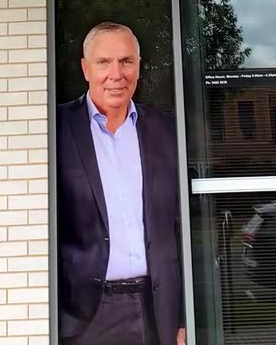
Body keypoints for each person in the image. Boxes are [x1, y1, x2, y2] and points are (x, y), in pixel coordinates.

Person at [56, 22, 185, 345]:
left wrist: (182, 318)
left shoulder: (164, 128)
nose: (117, 73)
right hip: (85, 317)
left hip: (156, 311)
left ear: (138, 67)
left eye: (126, 61)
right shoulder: (56, 128)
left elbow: (179, 224)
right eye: (104, 62)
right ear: (86, 69)